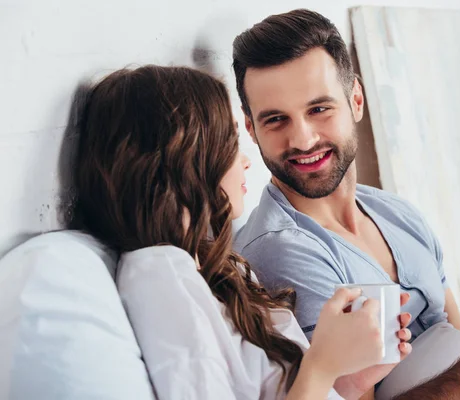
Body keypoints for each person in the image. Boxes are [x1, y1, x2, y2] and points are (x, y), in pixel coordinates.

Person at [232, 9, 460, 399]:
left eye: (319, 109)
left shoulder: (397, 215)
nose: (302, 139)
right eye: (276, 120)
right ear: (252, 129)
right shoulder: (281, 252)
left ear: (356, 99)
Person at [70, 65, 413, 400]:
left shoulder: (215, 266)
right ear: (188, 157)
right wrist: (323, 363)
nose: (246, 161)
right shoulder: (161, 279)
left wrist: (351, 373)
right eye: (232, 141)